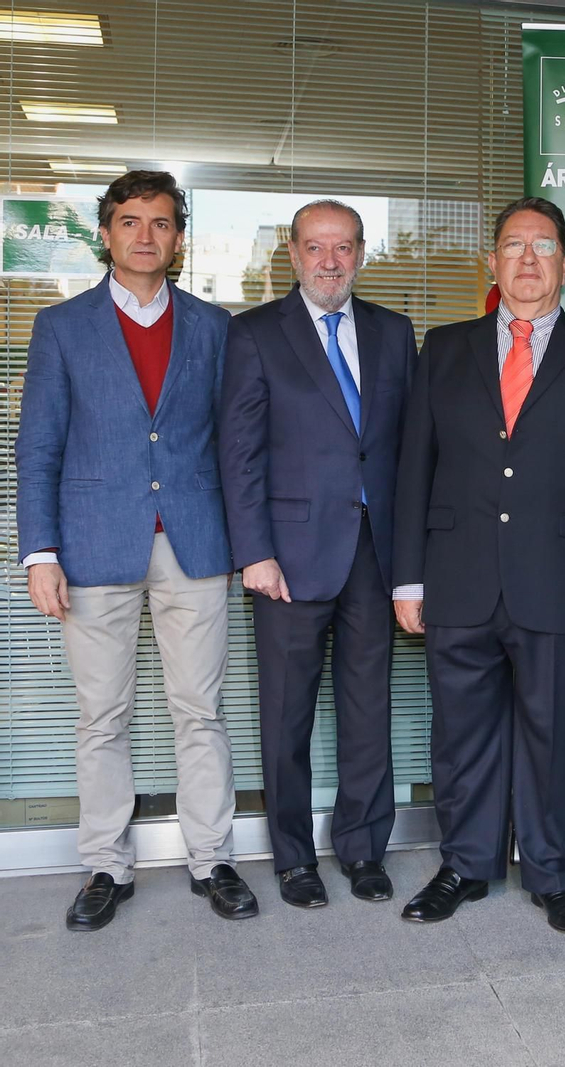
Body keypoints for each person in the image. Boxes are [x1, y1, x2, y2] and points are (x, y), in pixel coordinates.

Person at [391, 196, 565, 932]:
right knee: (461, 733)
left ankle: (551, 872)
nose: (528, 259)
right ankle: (466, 865)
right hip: (459, 575)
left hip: (560, 581)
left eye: (543, 246)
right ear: (493, 263)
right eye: (513, 246)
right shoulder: (443, 350)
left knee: (555, 732)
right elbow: (416, 470)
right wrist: (409, 577)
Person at [15, 170, 258, 928]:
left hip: (195, 542)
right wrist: (39, 551)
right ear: (107, 233)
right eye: (130, 221)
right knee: (102, 717)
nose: (145, 235)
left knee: (201, 711)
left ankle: (211, 857)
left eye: (160, 222)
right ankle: (104, 866)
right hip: (92, 544)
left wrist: (248, 544)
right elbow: (38, 446)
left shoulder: (216, 327)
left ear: (178, 238)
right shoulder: (62, 328)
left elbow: (234, 444)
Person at [219, 200, 417, 908]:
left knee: (370, 709)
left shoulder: (395, 334)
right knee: (287, 715)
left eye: (343, 246)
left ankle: (364, 847)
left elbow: (409, 450)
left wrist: (414, 561)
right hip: (289, 557)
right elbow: (238, 455)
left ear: (361, 253)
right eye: (314, 247)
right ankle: (294, 858)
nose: (329, 260)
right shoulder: (255, 335)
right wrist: (255, 553)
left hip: (376, 553)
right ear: (293, 256)